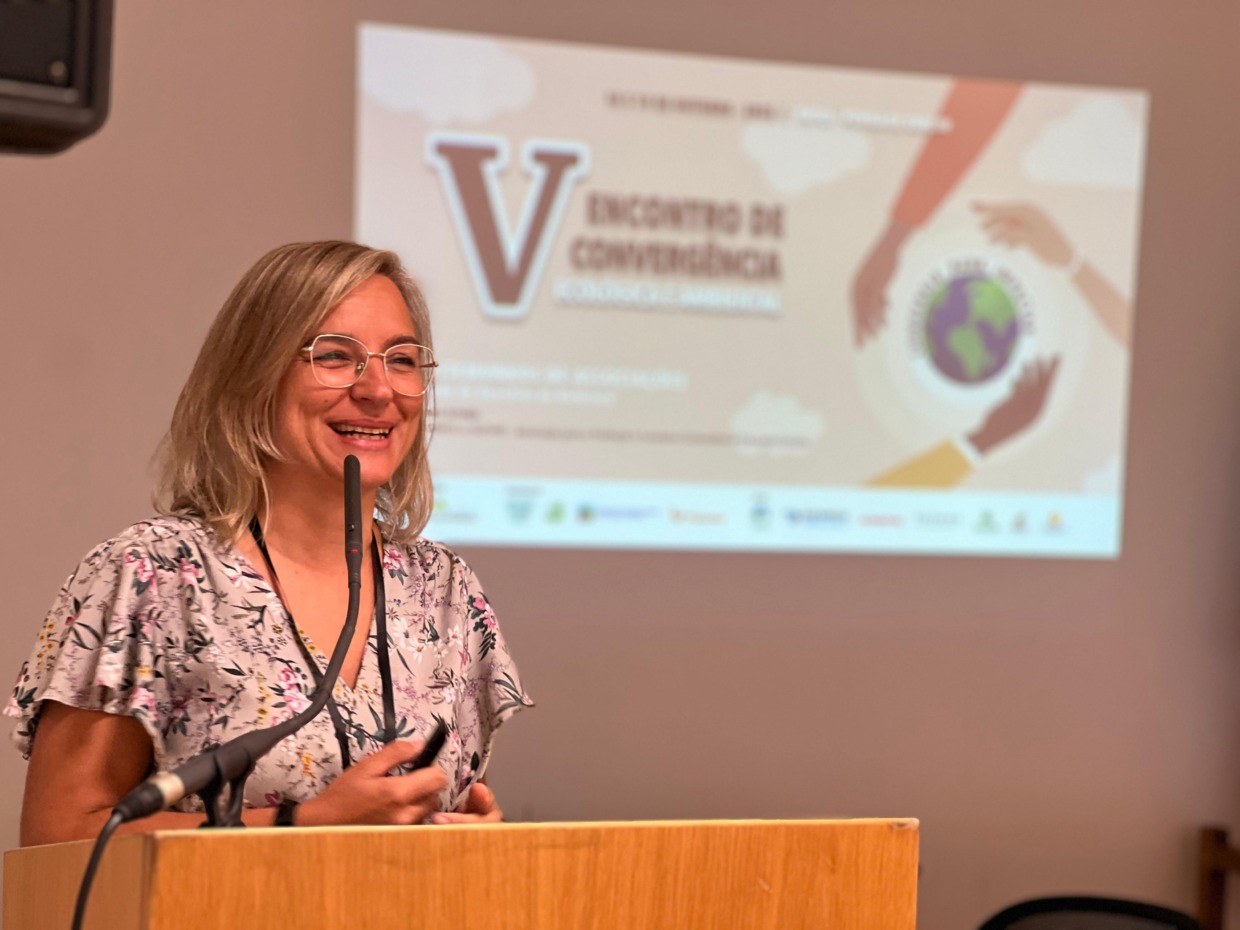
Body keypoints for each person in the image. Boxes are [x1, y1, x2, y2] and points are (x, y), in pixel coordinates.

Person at [5, 240, 531, 844]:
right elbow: (58, 838)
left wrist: (470, 837)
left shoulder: (444, 588)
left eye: (403, 360)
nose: (378, 389)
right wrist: (301, 824)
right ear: (254, 373)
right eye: (335, 356)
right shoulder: (152, 574)